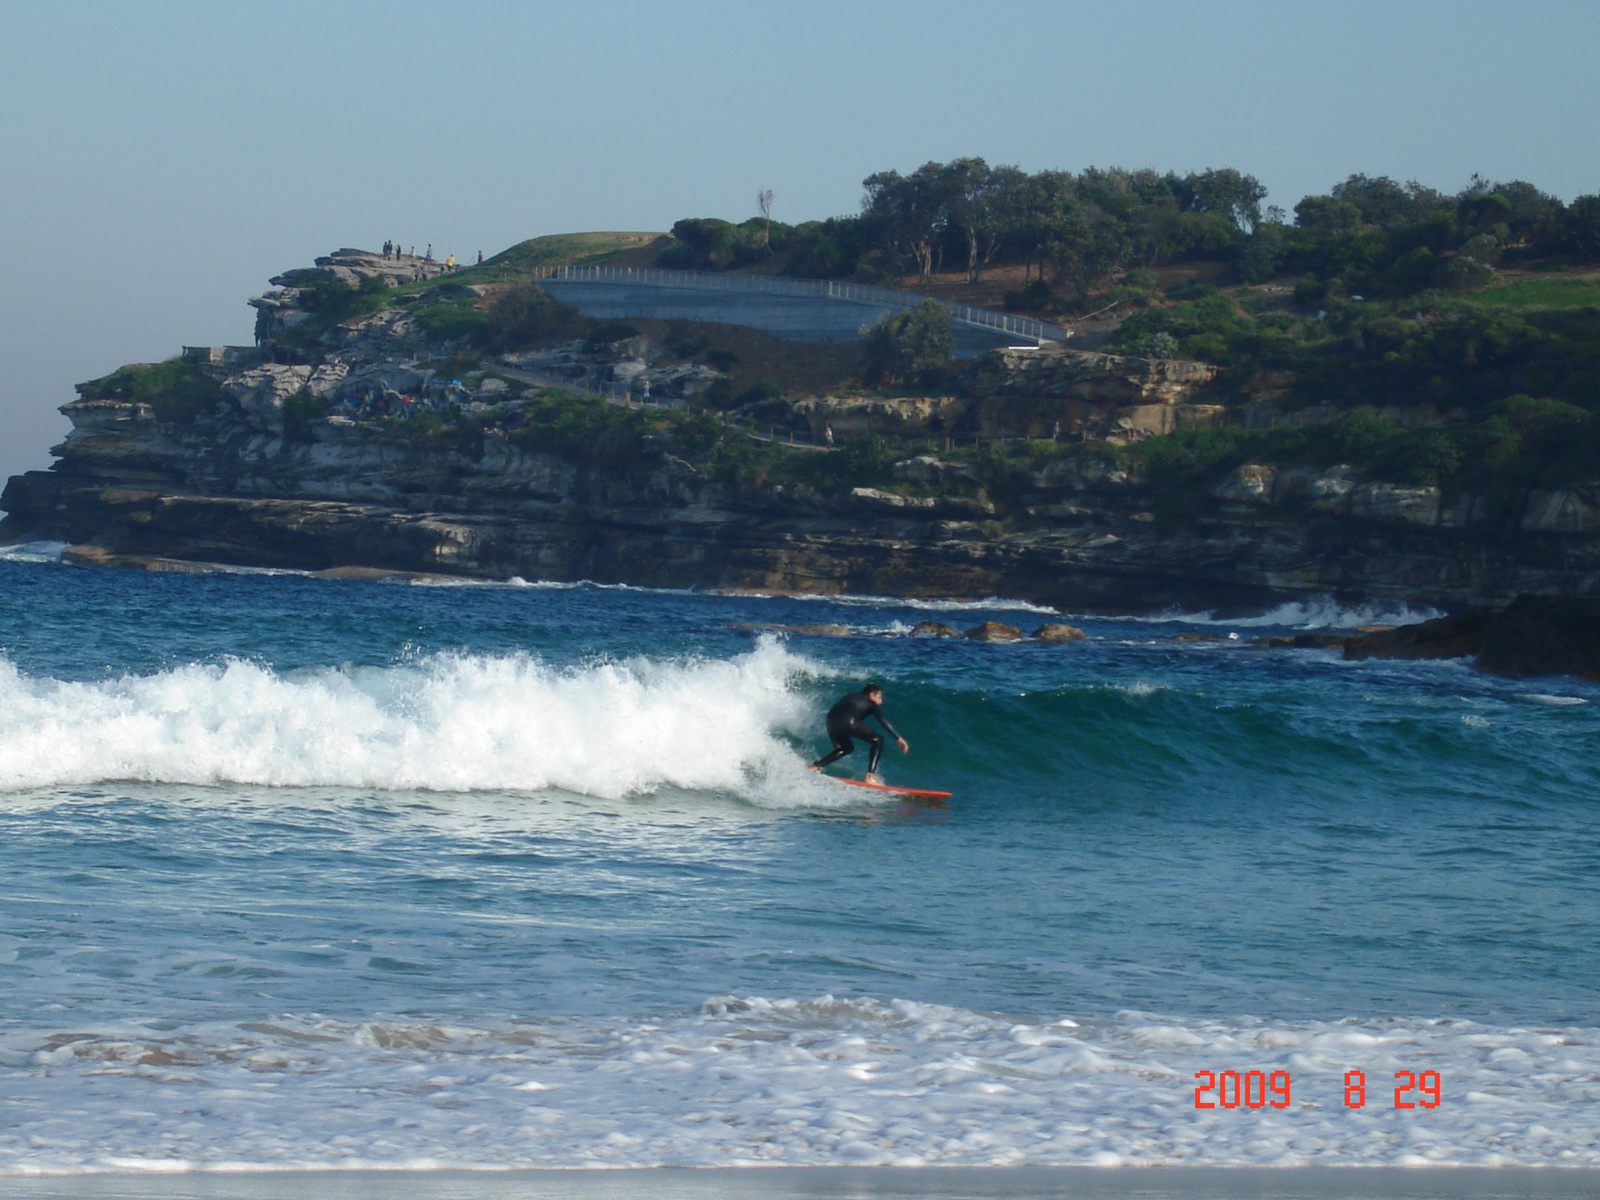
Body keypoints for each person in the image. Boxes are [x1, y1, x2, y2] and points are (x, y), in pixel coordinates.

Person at [810, 684, 908, 784]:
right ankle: (870, 777)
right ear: (871, 695)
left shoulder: (851, 697)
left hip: (830, 721)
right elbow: (882, 720)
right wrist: (898, 737)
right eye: (879, 697)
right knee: (878, 740)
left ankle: (815, 767)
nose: (881, 701)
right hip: (848, 721)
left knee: (845, 748)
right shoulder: (870, 702)